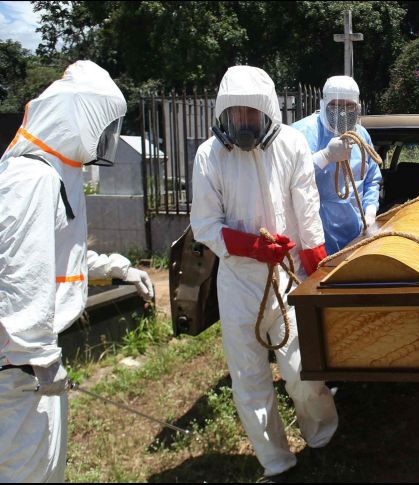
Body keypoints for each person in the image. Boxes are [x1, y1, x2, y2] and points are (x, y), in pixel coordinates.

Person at [0, 60, 155, 482]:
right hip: (16, 374)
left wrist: (116, 269)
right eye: (105, 124)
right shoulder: (31, 179)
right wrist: (38, 359)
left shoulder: (53, 173)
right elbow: (15, 281)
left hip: (27, 369)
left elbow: (54, 255)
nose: (108, 137)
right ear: (75, 117)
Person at [190, 65, 338, 479]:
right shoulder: (210, 155)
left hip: (288, 277)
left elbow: (308, 210)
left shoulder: (290, 145)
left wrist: (316, 268)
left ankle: (322, 436)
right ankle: (276, 463)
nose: (243, 123)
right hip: (238, 281)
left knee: (304, 373)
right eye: (236, 115)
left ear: (267, 112)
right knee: (249, 379)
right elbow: (204, 224)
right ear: (224, 114)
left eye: (251, 115)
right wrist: (252, 246)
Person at [292, 75, 382, 254]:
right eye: (336, 105)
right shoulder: (301, 133)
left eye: (349, 106)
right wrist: (324, 157)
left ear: (358, 108)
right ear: (324, 104)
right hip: (315, 237)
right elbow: (291, 178)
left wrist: (370, 211)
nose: (342, 112)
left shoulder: (361, 135)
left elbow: (371, 177)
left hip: (355, 235)